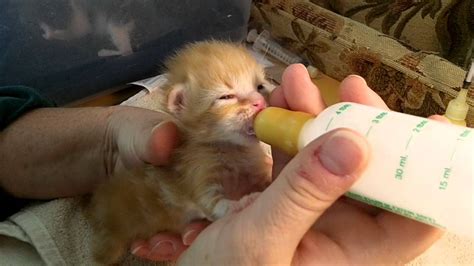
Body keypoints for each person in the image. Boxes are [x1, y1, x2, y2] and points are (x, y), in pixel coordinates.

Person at [0, 64, 444, 264]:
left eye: (256, 88)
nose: (255, 102)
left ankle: (108, 142)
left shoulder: (249, 143)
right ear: (180, 105)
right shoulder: (197, 150)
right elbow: (209, 193)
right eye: (226, 97)